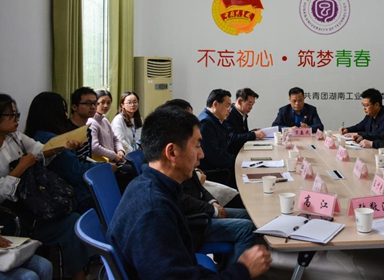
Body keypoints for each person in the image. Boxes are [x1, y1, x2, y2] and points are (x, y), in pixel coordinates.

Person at [107, 106, 271, 279]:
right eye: (197, 145)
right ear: (172, 152)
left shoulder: (145, 184)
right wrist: (243, 270)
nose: (202, 154)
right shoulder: (154, 212)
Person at [0, 94, 90, 280]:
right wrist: (20, 168)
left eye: (18, 114)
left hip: (31, 205)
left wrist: (62, 146)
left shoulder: (14, 137)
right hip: (9, 217)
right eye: (11, 115)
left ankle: (79, 275)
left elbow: (40, 150)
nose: (17, 119)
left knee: (72, 220)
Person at [23, 91, 107, 214]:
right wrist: (105, 166)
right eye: (63, 110)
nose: (66, 114)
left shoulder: (39, 134)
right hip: (71, 195)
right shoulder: (49, 139)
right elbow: (75, 170)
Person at [197, 89, 237, 188]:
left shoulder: (214, 120)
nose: (230, 110)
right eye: (227, 106)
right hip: (214, 171)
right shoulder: (206, 123)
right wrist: (238, 162)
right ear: (215, 104)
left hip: (220, 166)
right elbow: (214, 157)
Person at [88, 90, 126, 163]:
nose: (106, 106)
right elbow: (94, 147)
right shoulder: (91, 122)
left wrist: (120, 151)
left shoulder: (104, 120)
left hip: (114, 160)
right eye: (102, 102)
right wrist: (113, 155)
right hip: (103, 163)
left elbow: (115, 139)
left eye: (108, 103)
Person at [224, 88, 265, 155]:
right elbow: (232, 138)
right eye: (249, 104)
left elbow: (242, 134)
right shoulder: (229, 114)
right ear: (240, 101)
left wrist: (253, 132)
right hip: (233, 153)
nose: (251, 107)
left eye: (252, 104)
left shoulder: (242, 113)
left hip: (243, 150)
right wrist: (254, 135)